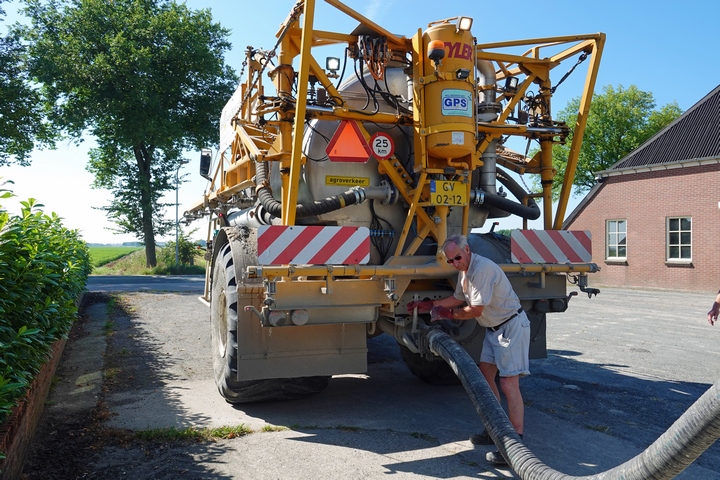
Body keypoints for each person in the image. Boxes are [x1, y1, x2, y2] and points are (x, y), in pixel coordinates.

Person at [407, 234, 530, 466]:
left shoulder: (481, 270)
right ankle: (494, 428)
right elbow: (457, 298)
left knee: (508, 384)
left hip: (511, 327)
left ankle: (515, 442)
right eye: (450, 261)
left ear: (467, 250)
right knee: (485, 379)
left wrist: (447, 314)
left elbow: (474, 310)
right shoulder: (465, 270)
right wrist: (429, 305)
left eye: (457, 258)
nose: (454, 263)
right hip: (493, 329)